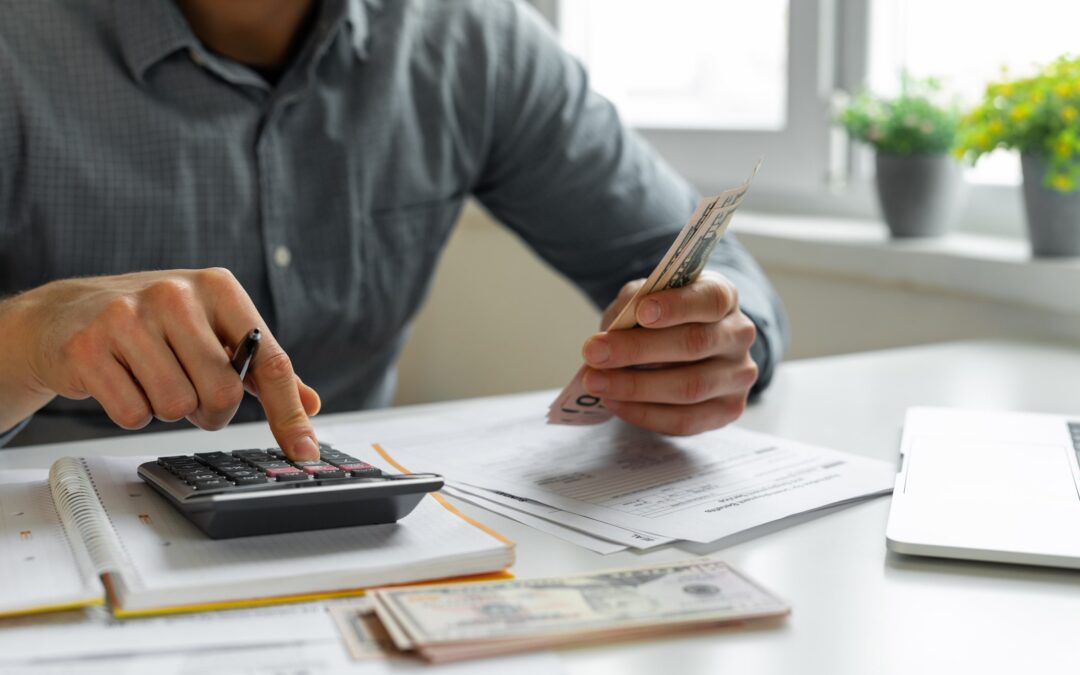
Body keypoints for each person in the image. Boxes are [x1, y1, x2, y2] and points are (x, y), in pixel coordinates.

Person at [0, 0, 789, 457]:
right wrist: (26, 338)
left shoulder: (470, 38)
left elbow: (717, 279)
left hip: (360, 556)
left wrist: (708, 341)